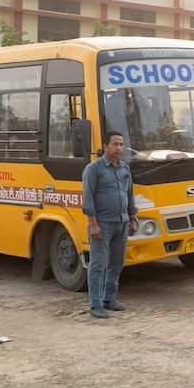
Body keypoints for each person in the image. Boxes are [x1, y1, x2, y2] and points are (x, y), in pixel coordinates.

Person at [82, 131, 139, 319]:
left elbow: (129, 195)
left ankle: (110, 299)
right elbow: (88, 199)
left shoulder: (124, 169)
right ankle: (95, 305)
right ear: (105, 147)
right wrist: (94, 225)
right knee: (98, 264)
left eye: (121, 145)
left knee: (116, 263)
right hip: (102, 224)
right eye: (115, 144)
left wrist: (133, 218)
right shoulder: (94, 169)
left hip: (121, 223)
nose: (119, 148)